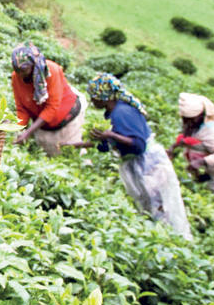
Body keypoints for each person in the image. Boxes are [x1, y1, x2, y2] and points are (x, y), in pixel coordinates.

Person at [74, 73, 192, 239]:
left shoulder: (122, 113)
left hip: (148, 165)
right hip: (138, 165)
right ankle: (162, 239)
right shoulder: (113, 112)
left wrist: (110, 135)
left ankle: (175, 241)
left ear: (104, 97)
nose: (92, 101)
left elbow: (138, 145)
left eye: (94, 97)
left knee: (162, 206)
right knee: (149, 206)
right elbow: (108, 145)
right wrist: (78, 145)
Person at [168, 93, 214, 213]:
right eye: (186, 119)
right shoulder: (194, 125)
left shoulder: (211, 130)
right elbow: (190, 140)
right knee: (211, 206)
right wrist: (173, 148)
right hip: (207, 174)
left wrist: (201, 162)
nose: (188, 123)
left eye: (192, 119)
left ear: (201, 115)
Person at [10, 43, 86, 157]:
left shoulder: (51, 71)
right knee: (49, 157)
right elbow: (22, 108)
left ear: (33, 65)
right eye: (16, 70)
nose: (20, 74)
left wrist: (28, 133)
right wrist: (16, 130)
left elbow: (52, 107)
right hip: (43, 125)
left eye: (23, 70)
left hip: (67, 120)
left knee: (72, 156)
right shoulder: (16, 77)